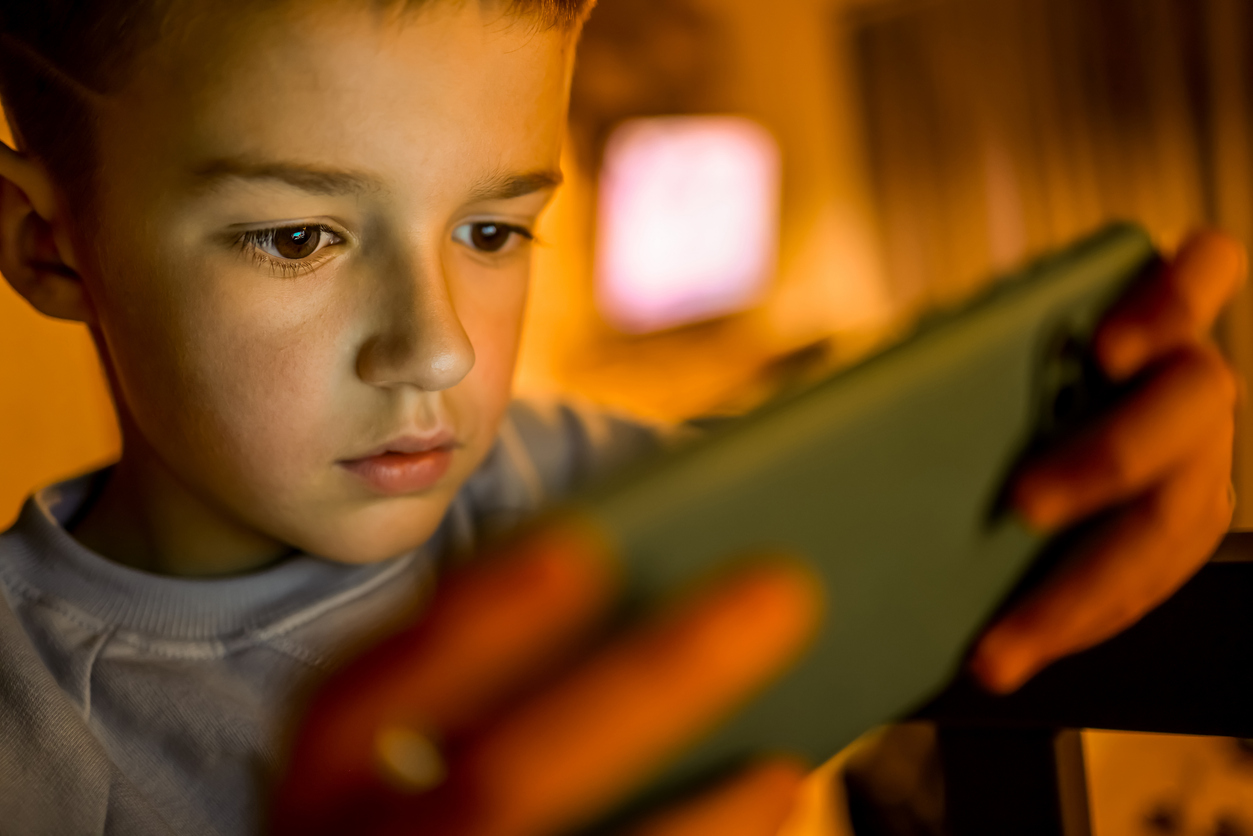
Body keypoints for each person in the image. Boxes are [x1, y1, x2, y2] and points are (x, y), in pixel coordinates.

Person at [0, 1, 1243, 834]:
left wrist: (1135, 450)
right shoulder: (33, 735)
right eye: (296, 236)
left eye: (491, 231)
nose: (440, 345)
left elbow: (985, 503)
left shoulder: (585, 486)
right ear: (48, 243)